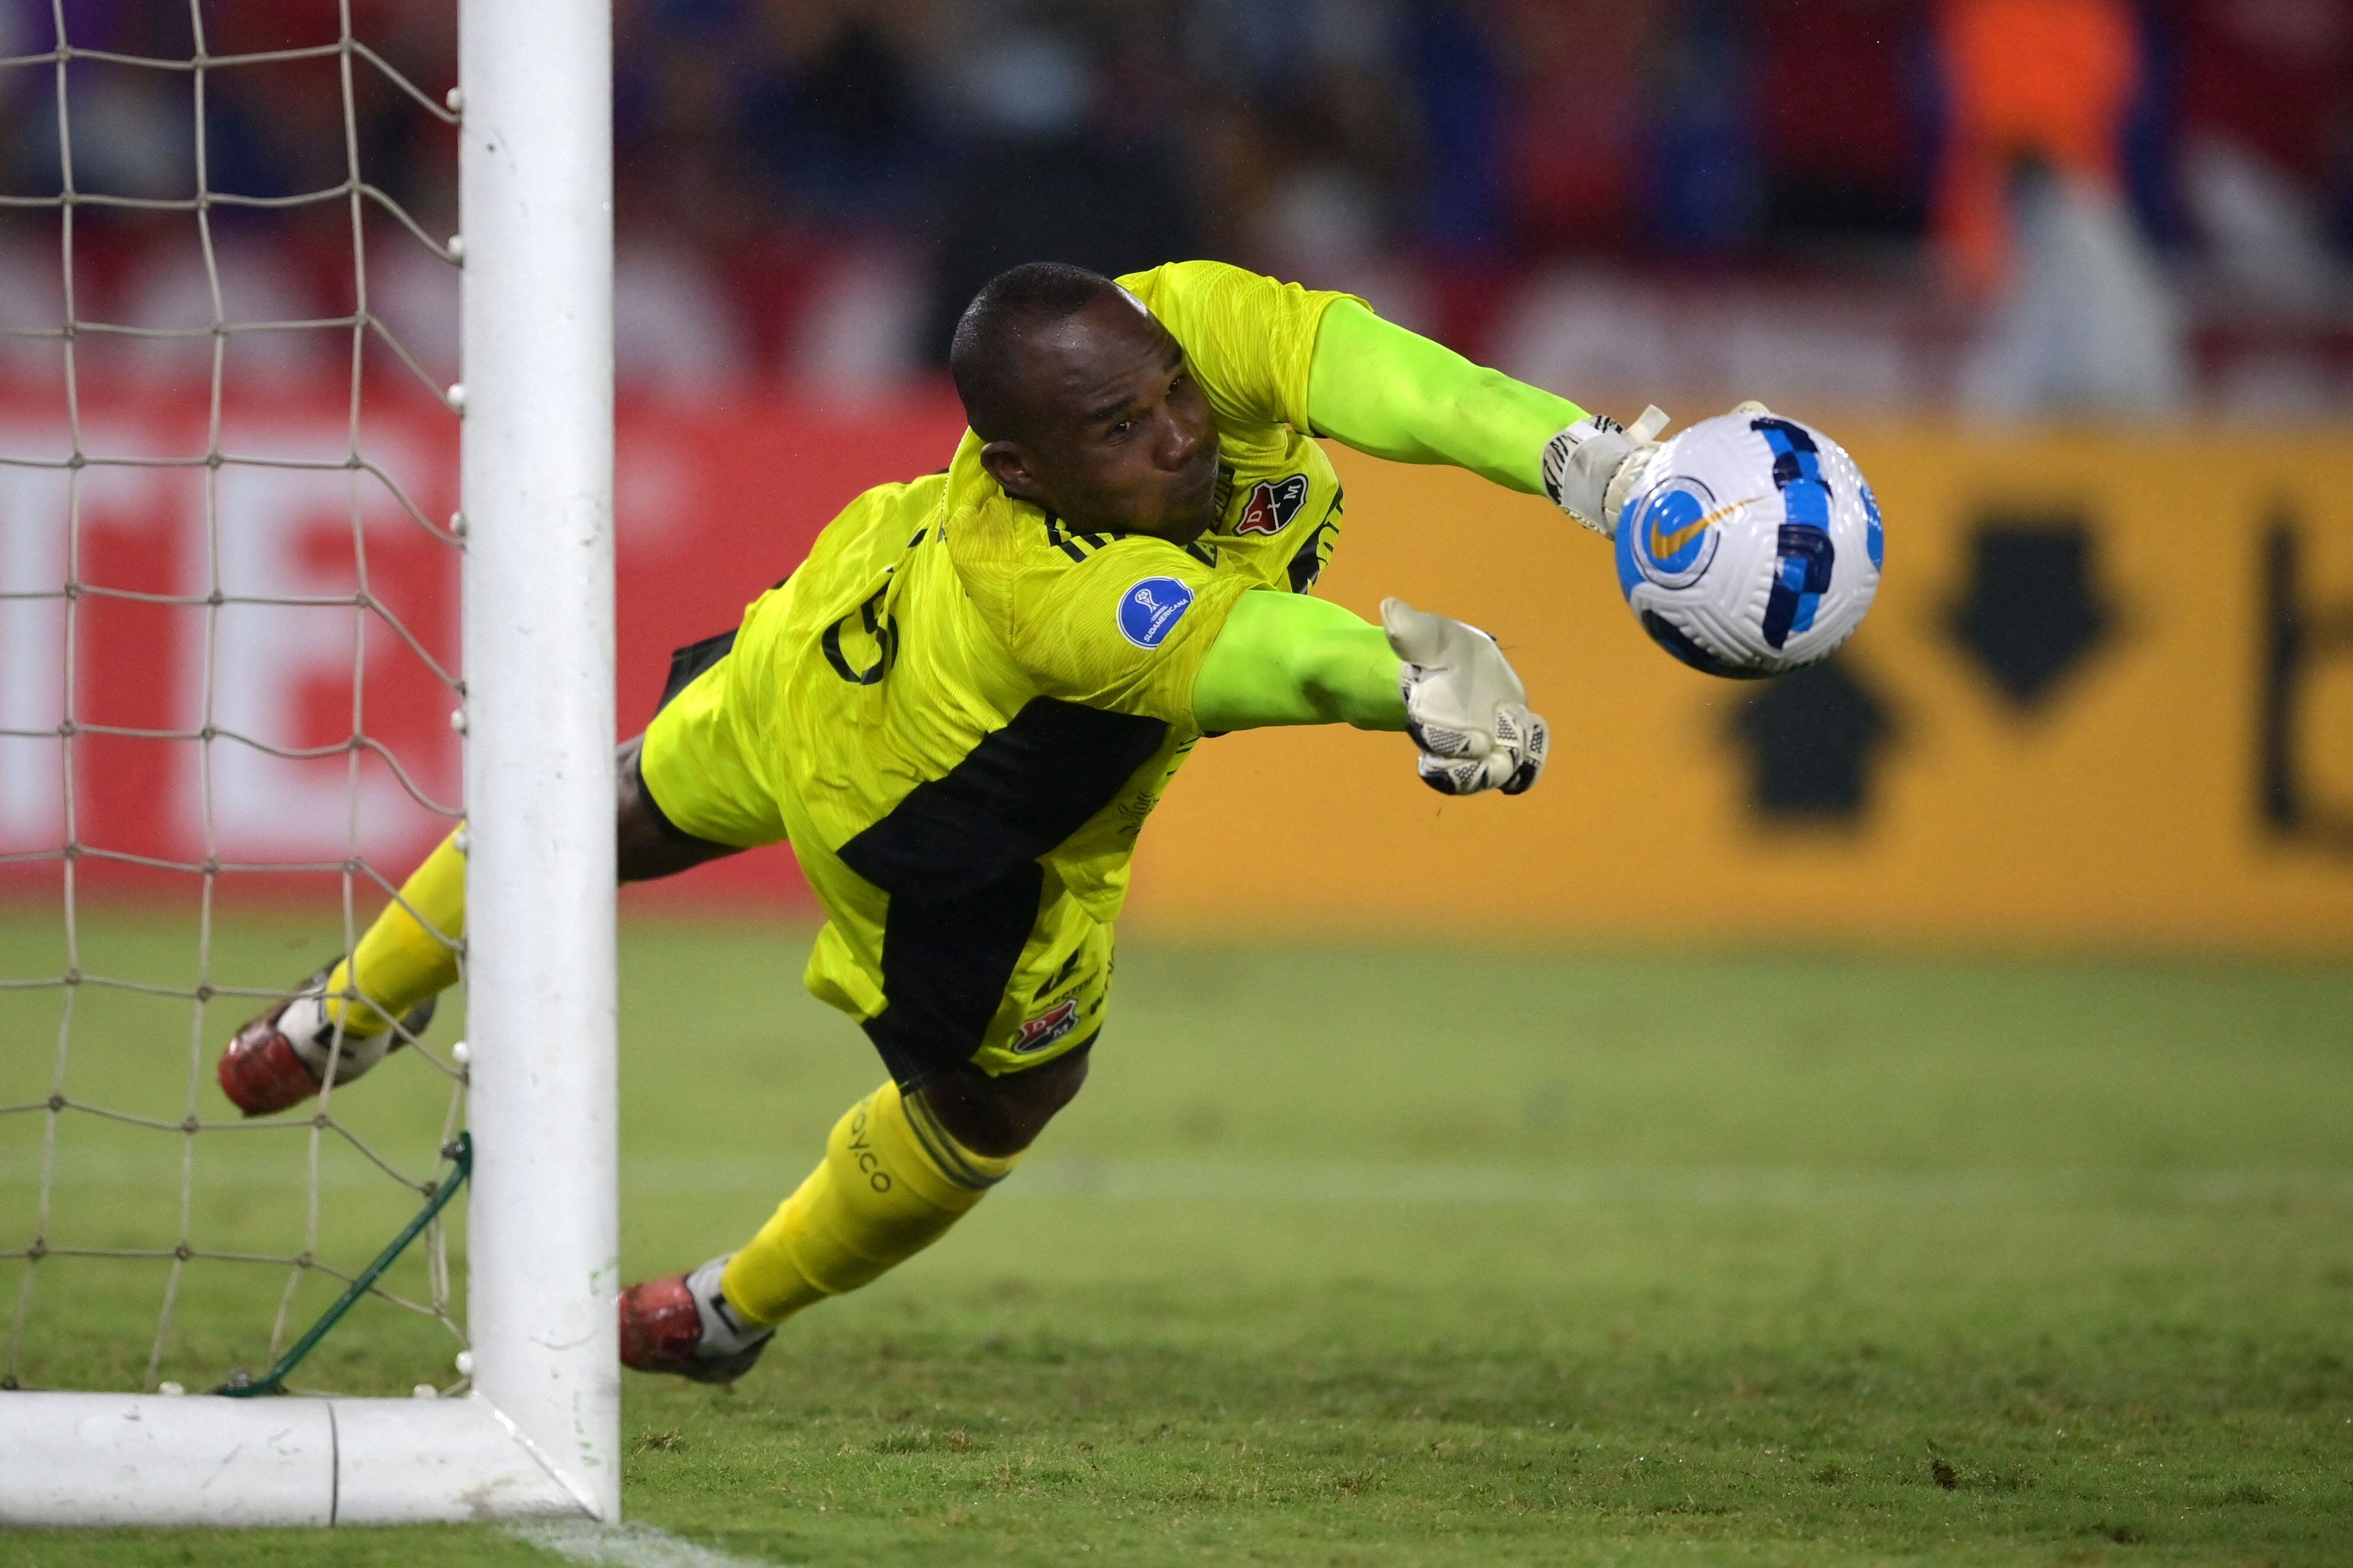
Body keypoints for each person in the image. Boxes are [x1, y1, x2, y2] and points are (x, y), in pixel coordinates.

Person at [216, 260, 1680, 1381]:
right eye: (1121, 430)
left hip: (829, 628)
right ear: (1026, 470)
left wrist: (1576, 455)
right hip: (922, 810)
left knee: (588, 812)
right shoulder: (1046, 583)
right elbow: (1258, 656)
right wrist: (1409, 681)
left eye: (1172, 389)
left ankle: (326, 1023)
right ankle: (727, 1315)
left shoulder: (1172, 329)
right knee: (1003, 1099)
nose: (1179, 435)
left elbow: (1383, 376)